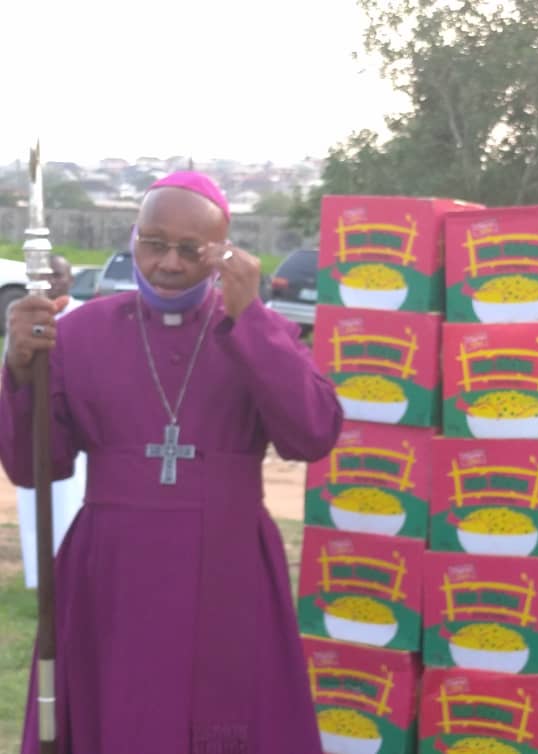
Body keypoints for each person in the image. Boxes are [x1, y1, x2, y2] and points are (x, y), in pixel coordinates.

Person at [2, 171, 343, 754]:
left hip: (230, 566)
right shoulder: (78, 334)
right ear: (133, 238)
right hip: (110, 570)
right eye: (153, 242)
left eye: (192, 249)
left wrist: (252, 318)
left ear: (223, 250)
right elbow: (37, 466)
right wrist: (17, 371)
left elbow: (312, 435)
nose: (169, 263)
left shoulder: (259, 331)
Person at [11, 254, 87, 589]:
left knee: (73, 508)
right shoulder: (25, 321)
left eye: (57, 275)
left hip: (78, 441)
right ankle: (39, 577)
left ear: (71, 279)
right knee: (37, 508)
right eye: (43, 275)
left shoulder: (85, 318)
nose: (50, 281)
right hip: (40, 435)